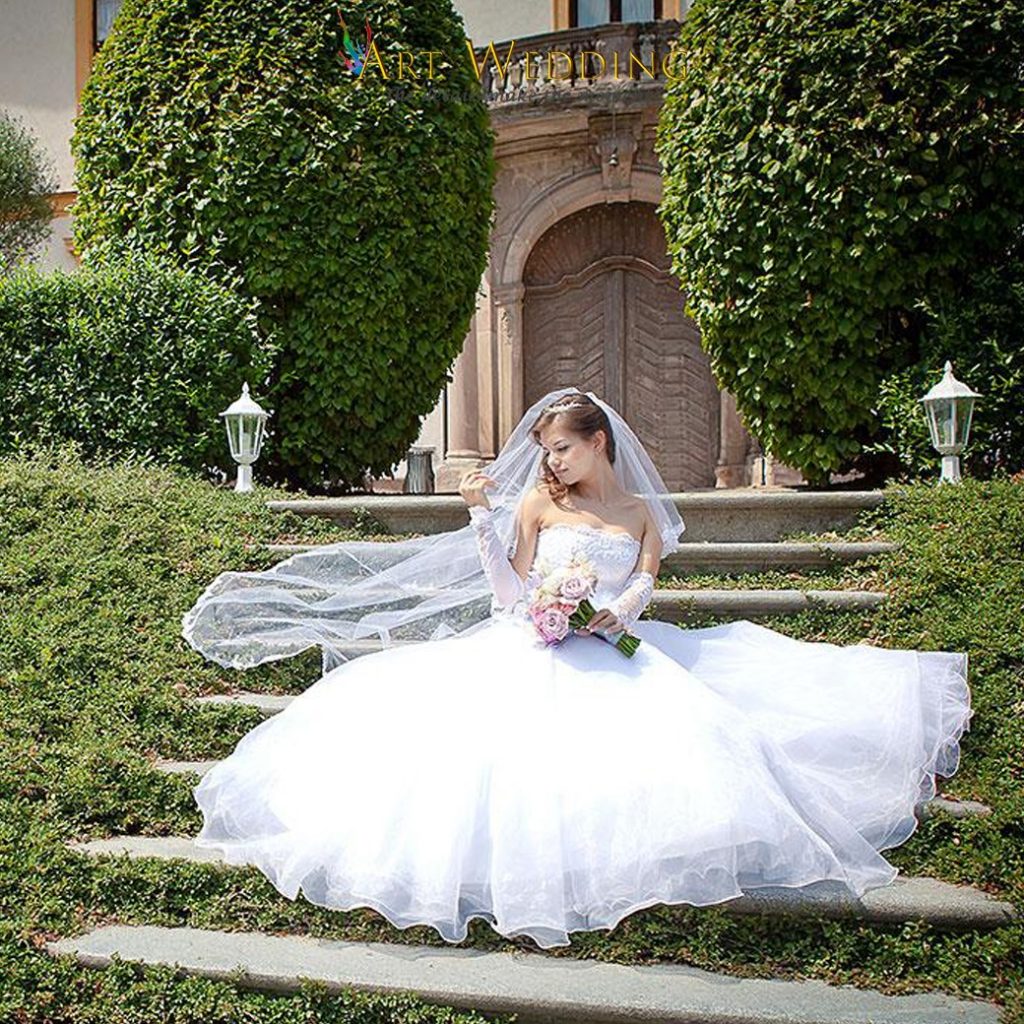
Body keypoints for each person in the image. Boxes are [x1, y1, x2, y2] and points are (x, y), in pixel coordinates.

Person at [182, 387, 973, 951]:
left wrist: (616, 614)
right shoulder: (535, 506)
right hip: (528, 640)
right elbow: (506, 589)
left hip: (613, 645)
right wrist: (483, 521)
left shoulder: (639, 514)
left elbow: (646, 581)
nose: (550, 459)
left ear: (599, 442)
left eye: (560, 447)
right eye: (545, 449)